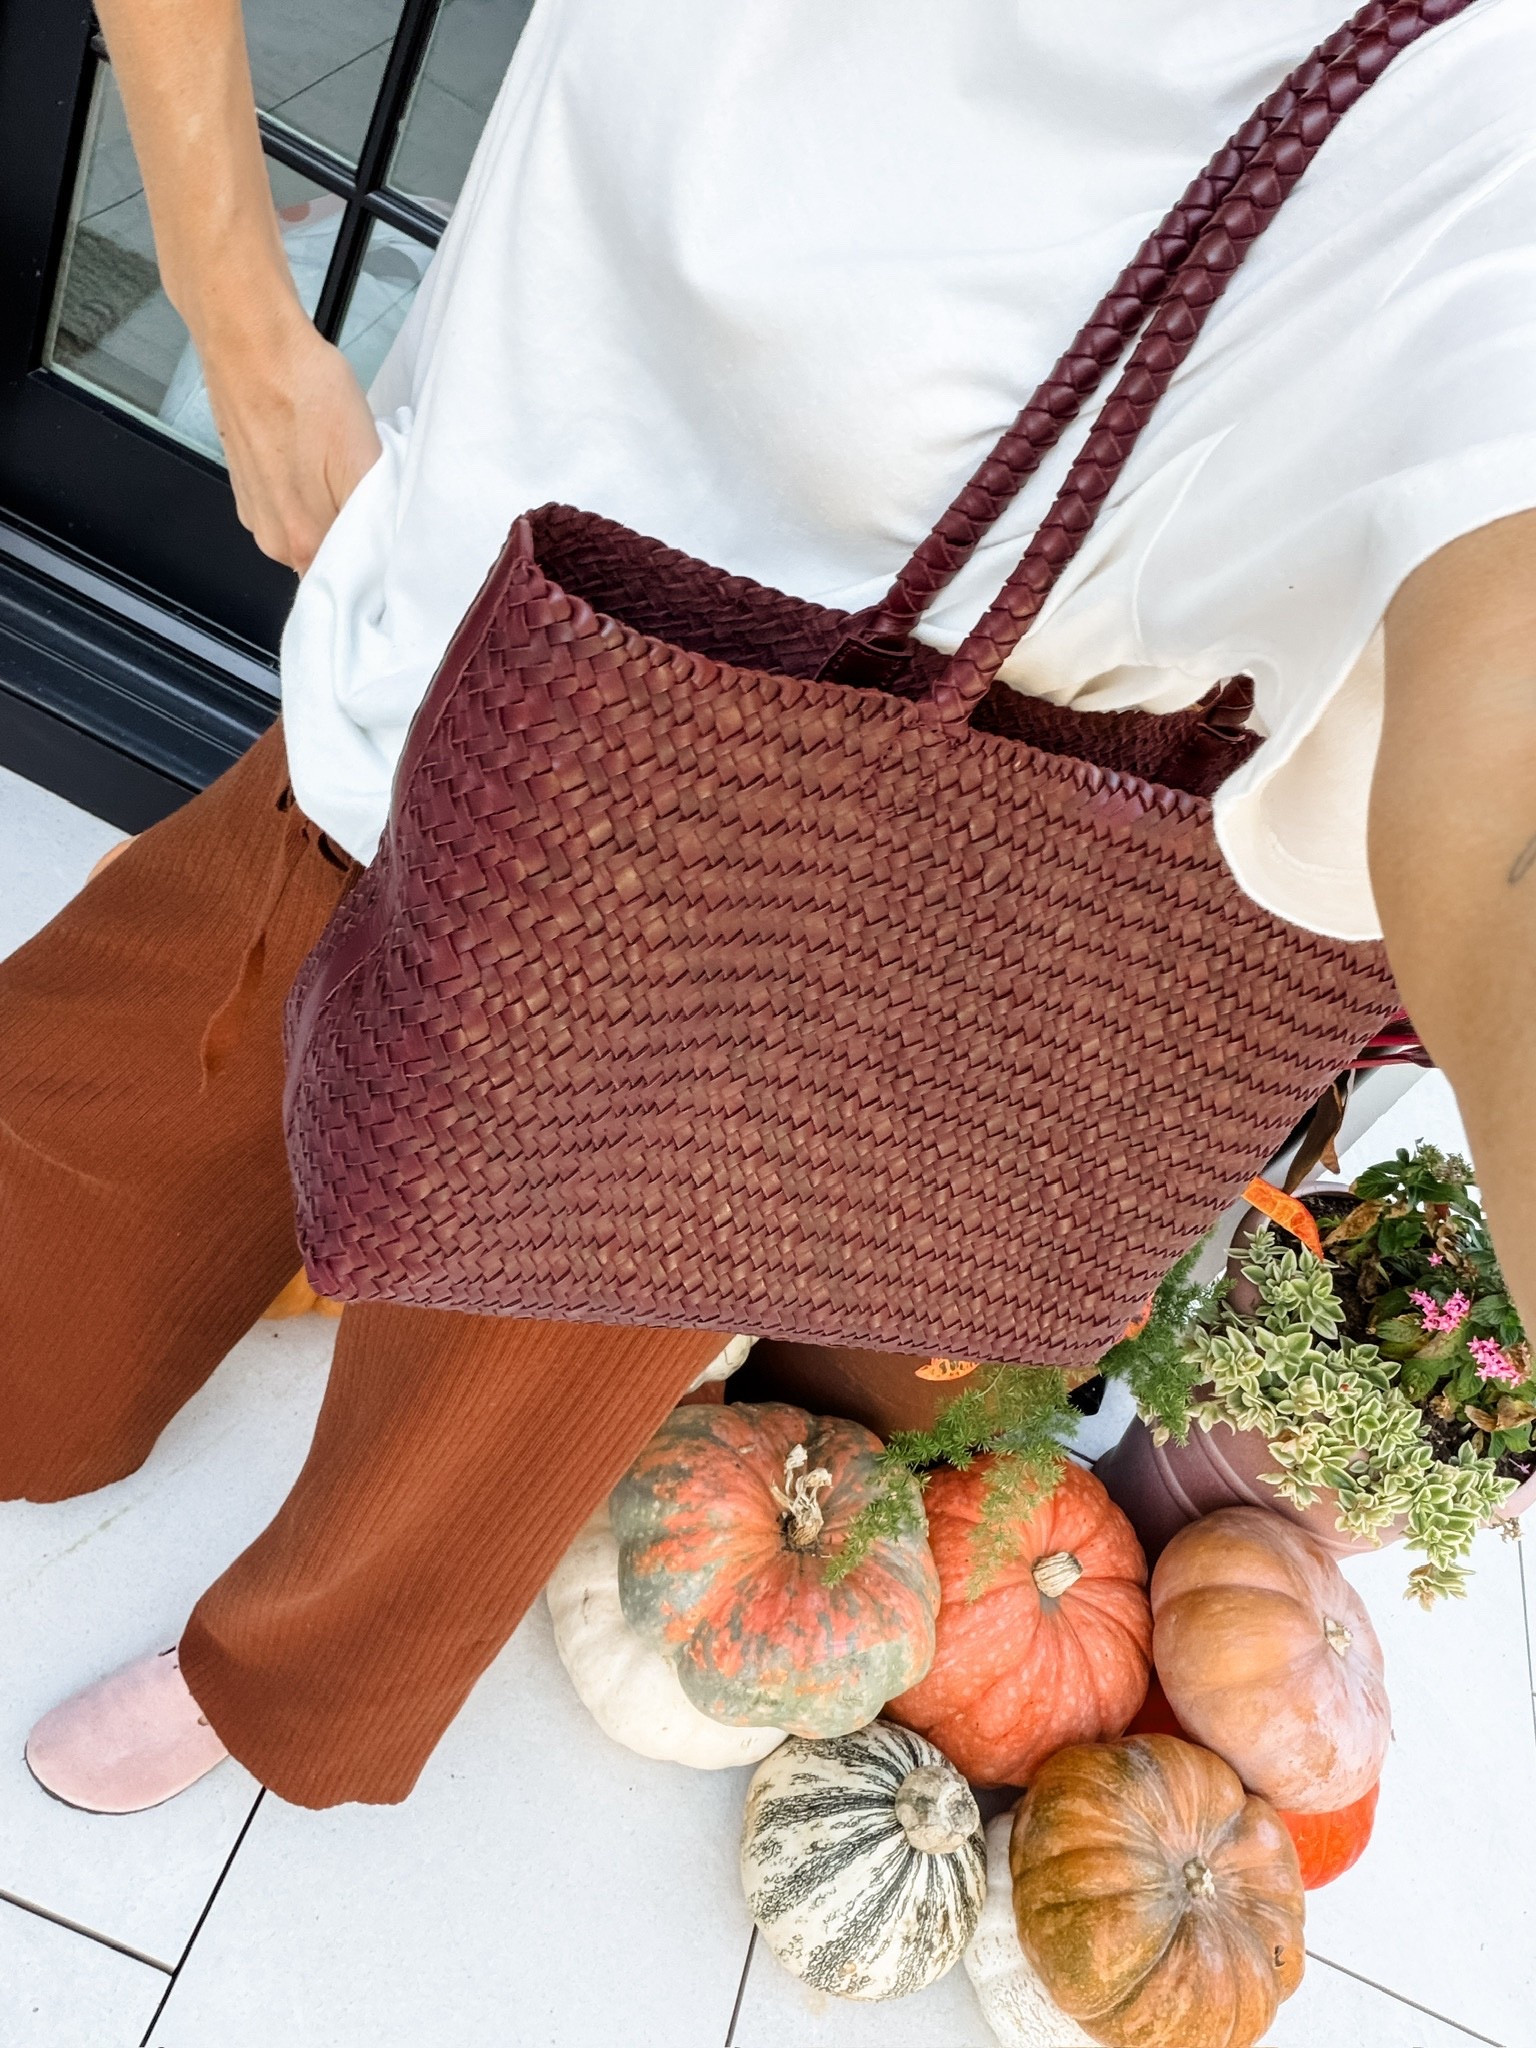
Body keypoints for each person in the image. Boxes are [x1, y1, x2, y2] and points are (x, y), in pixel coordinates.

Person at [4, 0, 1534, 1813]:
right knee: (182, 1018)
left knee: (552, 1322)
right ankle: (46, 1376)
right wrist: (237, 307)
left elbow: (1501, 703)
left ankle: (268, 1681)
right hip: (538, 566)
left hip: (885, 900)